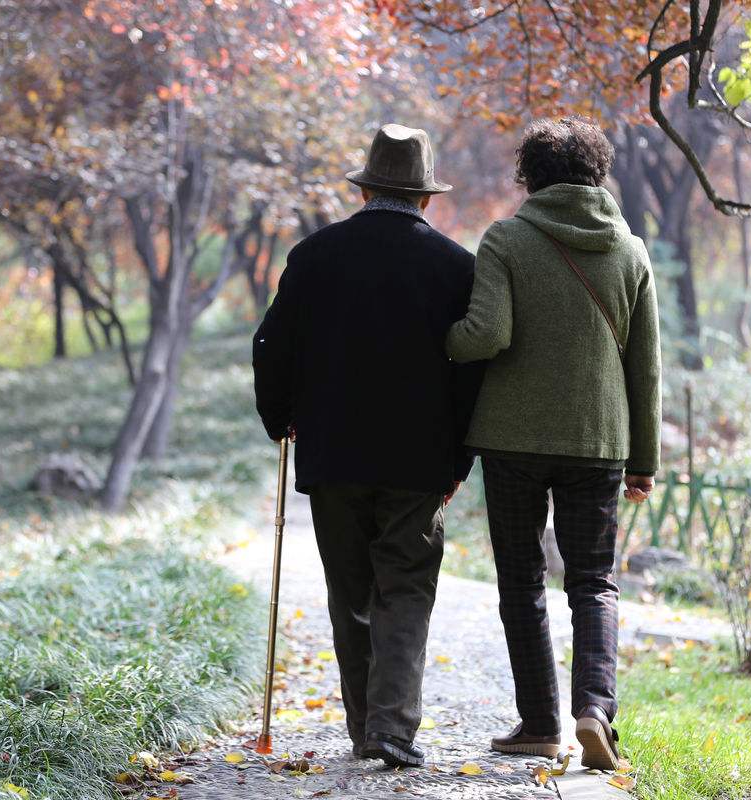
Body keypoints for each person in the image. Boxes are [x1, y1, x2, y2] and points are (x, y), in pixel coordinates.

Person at [252, 124, 481, 768]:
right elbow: (472, 373)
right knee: (405, 589)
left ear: (367, 188)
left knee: (350, 591)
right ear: (425, 198)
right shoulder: (456, 267)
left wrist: (281, 419)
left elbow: (271, 347)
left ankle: (364, 727)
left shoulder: (314, 255)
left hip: (334, 458)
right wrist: (460, 458)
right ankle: (390, 729)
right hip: (419, 462)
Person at [445, 117, 661, 770]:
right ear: (599, 174)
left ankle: (539, 722)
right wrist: (643, 461)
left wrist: (444, 342)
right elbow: (645, 369)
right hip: (598, 440)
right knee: (594, 583)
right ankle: (594, 711)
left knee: (521, 580)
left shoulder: (507, 239)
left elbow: (486, 335)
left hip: (511, 439)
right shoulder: (631, 251)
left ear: (529, 176)